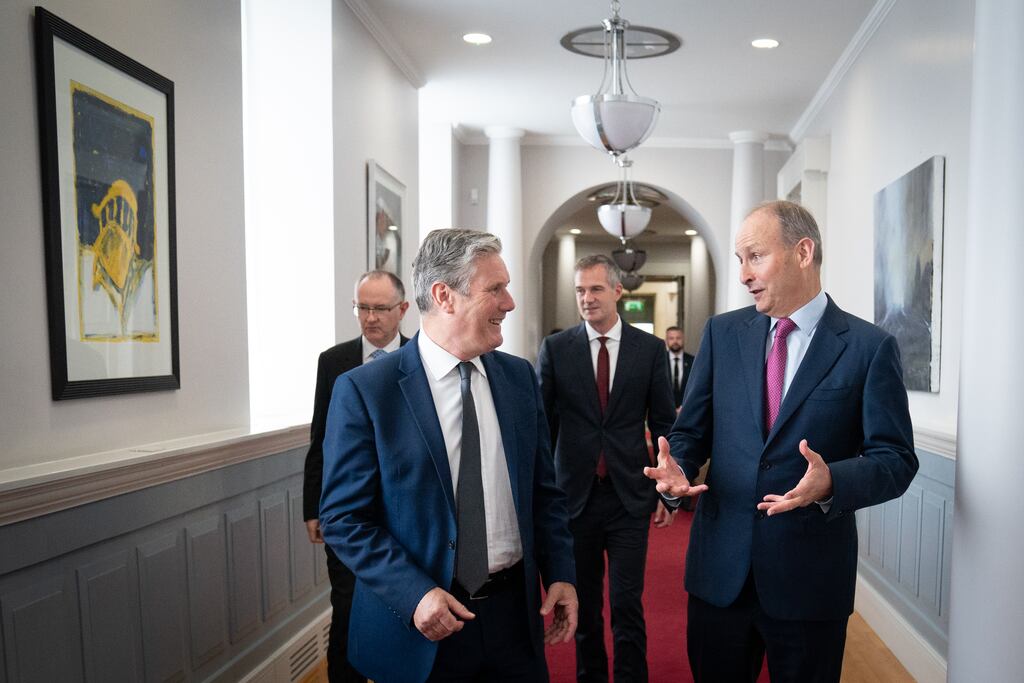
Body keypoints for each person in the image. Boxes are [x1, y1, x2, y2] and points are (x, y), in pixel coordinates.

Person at [644, 200, 918, 682]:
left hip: (810, 580)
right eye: (739, 260)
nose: (744, 275)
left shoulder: (869, 347)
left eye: (755, 256)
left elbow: (896, 459)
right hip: (719, 573)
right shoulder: (722, 334)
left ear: (803, 252)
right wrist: (678, 469)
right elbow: (692, 432)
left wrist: (832, 481)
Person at [320, 229, 578, 683]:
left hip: (514, 620)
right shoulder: (366, 391)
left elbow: (544, 491)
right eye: (495, 289)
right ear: (445, 296)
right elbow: (343, 518)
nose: (510, 303)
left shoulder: (519, 379)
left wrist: (561, 573)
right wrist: (415, 595)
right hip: (419, 626)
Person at [538, 254, 676, 683]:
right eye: (580, 290)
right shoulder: (556, 349)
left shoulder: (648, 349)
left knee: (626, 604)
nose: (587, 298)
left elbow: (665, 424)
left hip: (628, 497)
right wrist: (542, 494)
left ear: (617, 290)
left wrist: (667, 489)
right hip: (573, 500)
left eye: (596, 289)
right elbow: (543, 428)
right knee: (584, 605)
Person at [302, 270, 410, 682]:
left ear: (402, 309)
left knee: (403, 612)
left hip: (405, 510)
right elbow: (320, 439)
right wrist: (314, 506)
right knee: (347, 611)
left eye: (380, 308)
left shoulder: (421, 356)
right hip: (347, 512)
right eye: (362, 307)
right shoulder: (333, 362)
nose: (370, 317)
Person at [664, 326, 694, 411]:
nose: (675, 341)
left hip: (687, 409)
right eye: (671, 338)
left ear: (683, 339)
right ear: (666, 340)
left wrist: (683, 407)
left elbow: (695, 387)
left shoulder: (693, 361)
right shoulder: (660, 360)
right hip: (665, 411)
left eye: (678, 338)